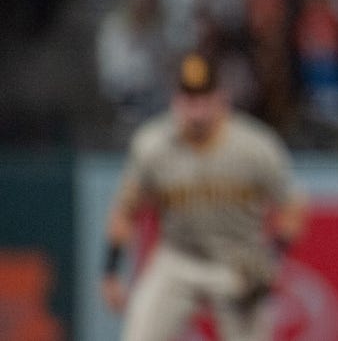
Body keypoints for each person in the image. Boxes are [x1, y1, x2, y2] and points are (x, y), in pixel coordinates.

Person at [100, 50, 308, 341]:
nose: (196, 108)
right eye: (189, 98)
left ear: (221, 99)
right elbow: (126, 209)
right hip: (178, 259)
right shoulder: (153, 145)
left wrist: (272, 260)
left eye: (204, 98)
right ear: (176, 100)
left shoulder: (254, 146)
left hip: (238, 263)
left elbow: (292, 207)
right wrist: (110, 269)